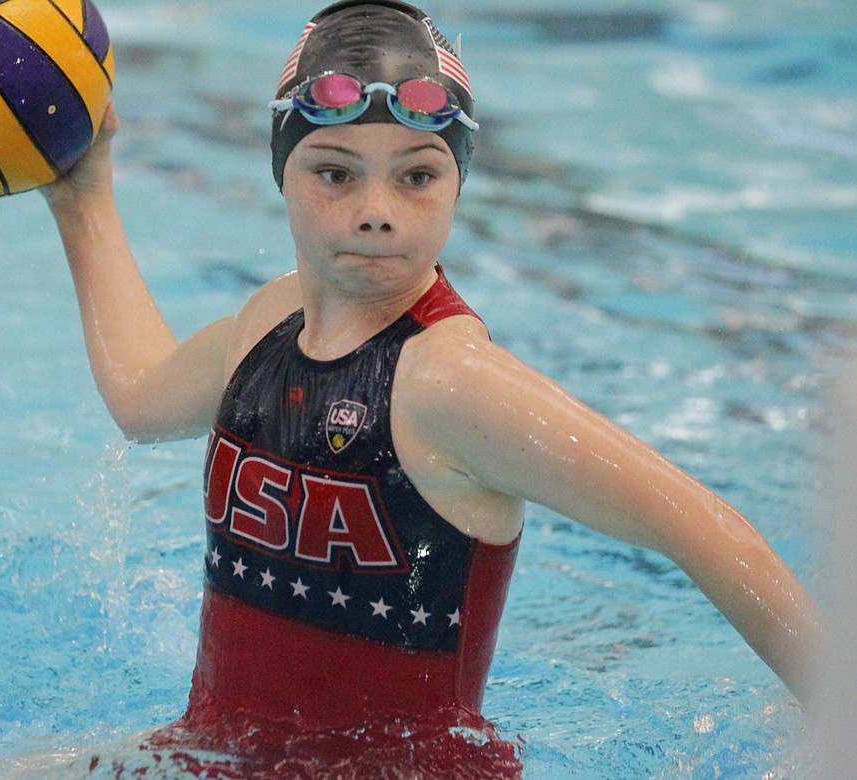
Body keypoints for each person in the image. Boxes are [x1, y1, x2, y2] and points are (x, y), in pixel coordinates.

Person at [41, 1, 822, 776]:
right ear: (282, 171)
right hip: (216, 755)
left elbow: (704, 528)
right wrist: (83, 196)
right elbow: (142, 399)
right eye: (335, 173)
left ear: (458, 184)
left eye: (417, 175)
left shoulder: (450, 383)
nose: (377, 212)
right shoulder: (267, 324)